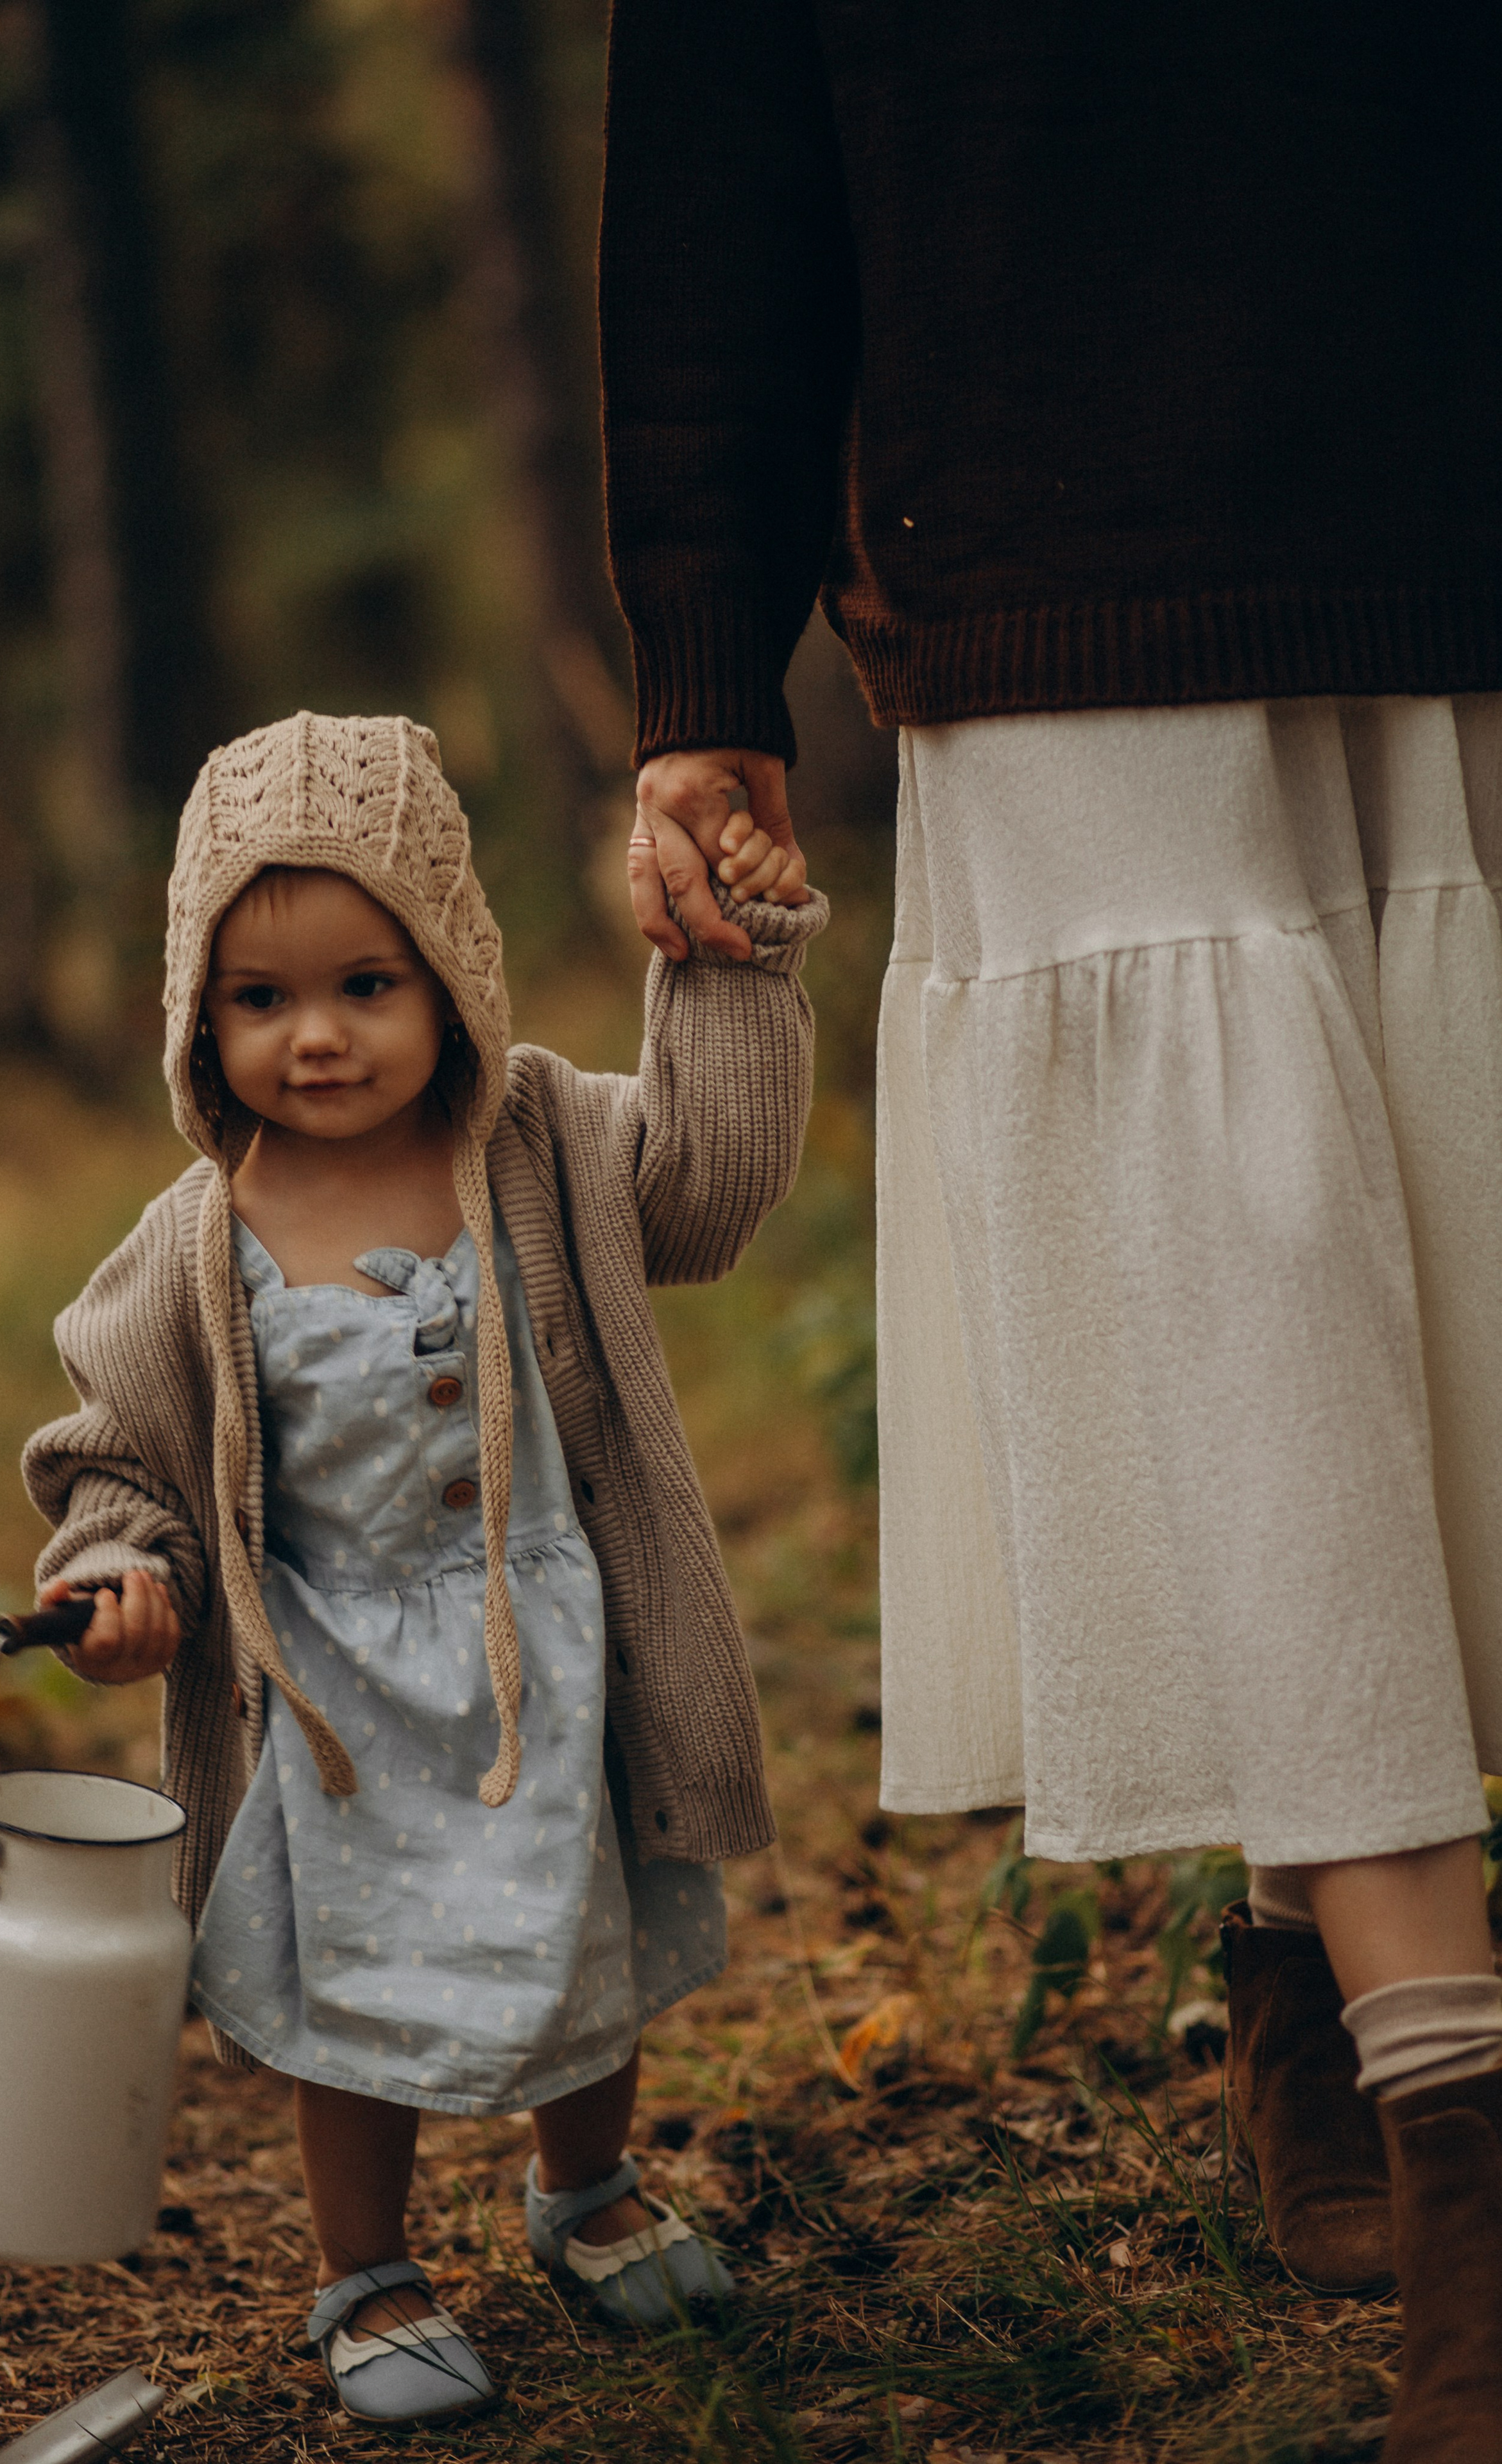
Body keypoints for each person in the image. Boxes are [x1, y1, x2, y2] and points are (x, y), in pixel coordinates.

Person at [599, 6, 1502, 2453]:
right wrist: (706, 664)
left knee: (1429, 1273)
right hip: (1050, 537)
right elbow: (719, 161)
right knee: (1265, 1303)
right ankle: (1466, 2159)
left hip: (1445, 479)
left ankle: (1308, 1952)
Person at [21, 710, 821, 2428]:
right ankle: (367, 2265)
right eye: (261, 997)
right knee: (347, 1987)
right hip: (334, 1695)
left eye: (365, 984)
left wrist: (730, 963)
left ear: (452, 969)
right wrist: (116, 1572)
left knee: (578, 1932)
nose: (314, 1036)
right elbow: (115, 1453)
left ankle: (585, 2188)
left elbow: (711, 1186)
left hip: (542, 1640)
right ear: (199, 1013)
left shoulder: (537, 1144)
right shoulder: (195, 1240)